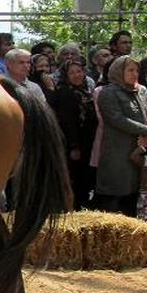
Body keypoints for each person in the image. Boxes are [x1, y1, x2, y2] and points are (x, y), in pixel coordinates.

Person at [94, 55, 147, 215]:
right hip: (117, 149)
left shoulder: (140, 91)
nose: (134, 73)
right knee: (115, 192)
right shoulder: (109, 92)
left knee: (133, 193)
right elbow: (116, 119)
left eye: (136, 70)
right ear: (118, 71)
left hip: (137, 147)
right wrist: (145, 130)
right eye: (130, 70)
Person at [51, 59, 98, 210]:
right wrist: (74, 146)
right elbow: (67, 122)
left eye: (79, 71)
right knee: (75, 179)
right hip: (74, 144)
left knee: (85, 180)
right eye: (71, 73)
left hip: (88, 142)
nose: (76, 75)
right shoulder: (65, 93)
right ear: (65, 75)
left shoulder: (87, 91)